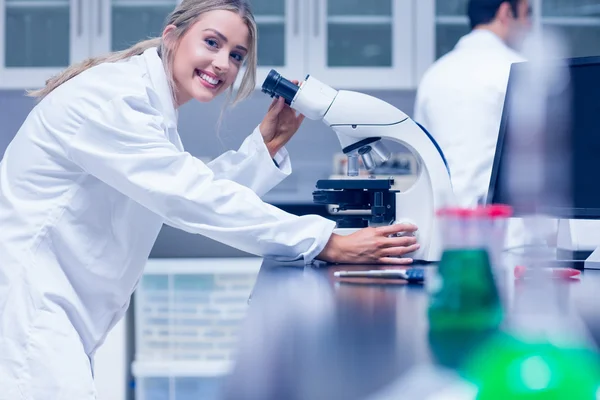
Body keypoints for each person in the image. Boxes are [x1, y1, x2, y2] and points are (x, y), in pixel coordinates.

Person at [0, 0, 421, 398]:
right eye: (212, 43)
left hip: (58, 310)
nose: (223, 63)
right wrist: (327, 241)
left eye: (237, 55)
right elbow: (188, 196)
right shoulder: (116, 100)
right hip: (32, 310)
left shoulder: (148, 105)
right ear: (172, 36)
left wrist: (265, 145)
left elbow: (185, 186)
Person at [414, 0, 531, 207]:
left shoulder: (434, 74)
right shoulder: (517, 69)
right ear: (505, 12)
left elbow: (421, 154)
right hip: (504, 226)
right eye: (526, 13)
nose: (528, 24)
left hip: (444, 222)